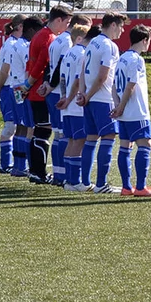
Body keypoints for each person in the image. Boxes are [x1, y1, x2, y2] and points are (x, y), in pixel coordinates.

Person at [113, 24, 151, 197]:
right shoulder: (136, 59)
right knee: (145, 145)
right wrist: (122, 105)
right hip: (136, 111)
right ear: (144, 40)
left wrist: (117, 106)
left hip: (124, 113)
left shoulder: (122, 58)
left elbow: (113, 85)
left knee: (125, 146)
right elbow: (131, 85)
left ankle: (126, 187)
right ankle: (141, 187)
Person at [80, 13, 126, 193]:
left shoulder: (93, 42)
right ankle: (101, 184)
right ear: (113, 25)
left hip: (90, 98)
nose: (122, 31)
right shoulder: (109, 46)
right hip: (103, 98)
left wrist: (83, 93)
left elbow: (83, 69)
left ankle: (85, 182)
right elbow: (102, 77)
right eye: (121, 26)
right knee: (108, 137)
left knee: (91, 139)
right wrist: (88, 95)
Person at [23, 7, 69, 184]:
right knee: (44, 132)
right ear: (58, 20)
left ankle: (35, 171)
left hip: (37, 89)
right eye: (66, 23)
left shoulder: (41, 35)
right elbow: (41, 65)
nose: (66, 27)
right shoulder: (48, 37)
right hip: (42, 90)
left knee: (39, 131)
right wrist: (29, 84)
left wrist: (28, 84)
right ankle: (38, 172)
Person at [0, 17, 33, 176]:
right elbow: (4, 70)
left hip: (13, 88)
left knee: (17, 125)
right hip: (12, 89)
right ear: (20, 26)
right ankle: (8, 164)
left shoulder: (13, 43)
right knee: (14, 126)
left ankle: (13, 164)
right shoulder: (12, 45)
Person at [57, 23, 91, 189]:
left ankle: (68, 180)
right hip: (76, 105)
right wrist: (70, 99)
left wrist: (64, 97)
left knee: (71, 140)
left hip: (68, 106)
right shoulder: (81, 53)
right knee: (79, 141)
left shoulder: (68, 53)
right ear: (80, 38)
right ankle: (75, 181)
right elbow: (78, 80)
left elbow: (62, 79)